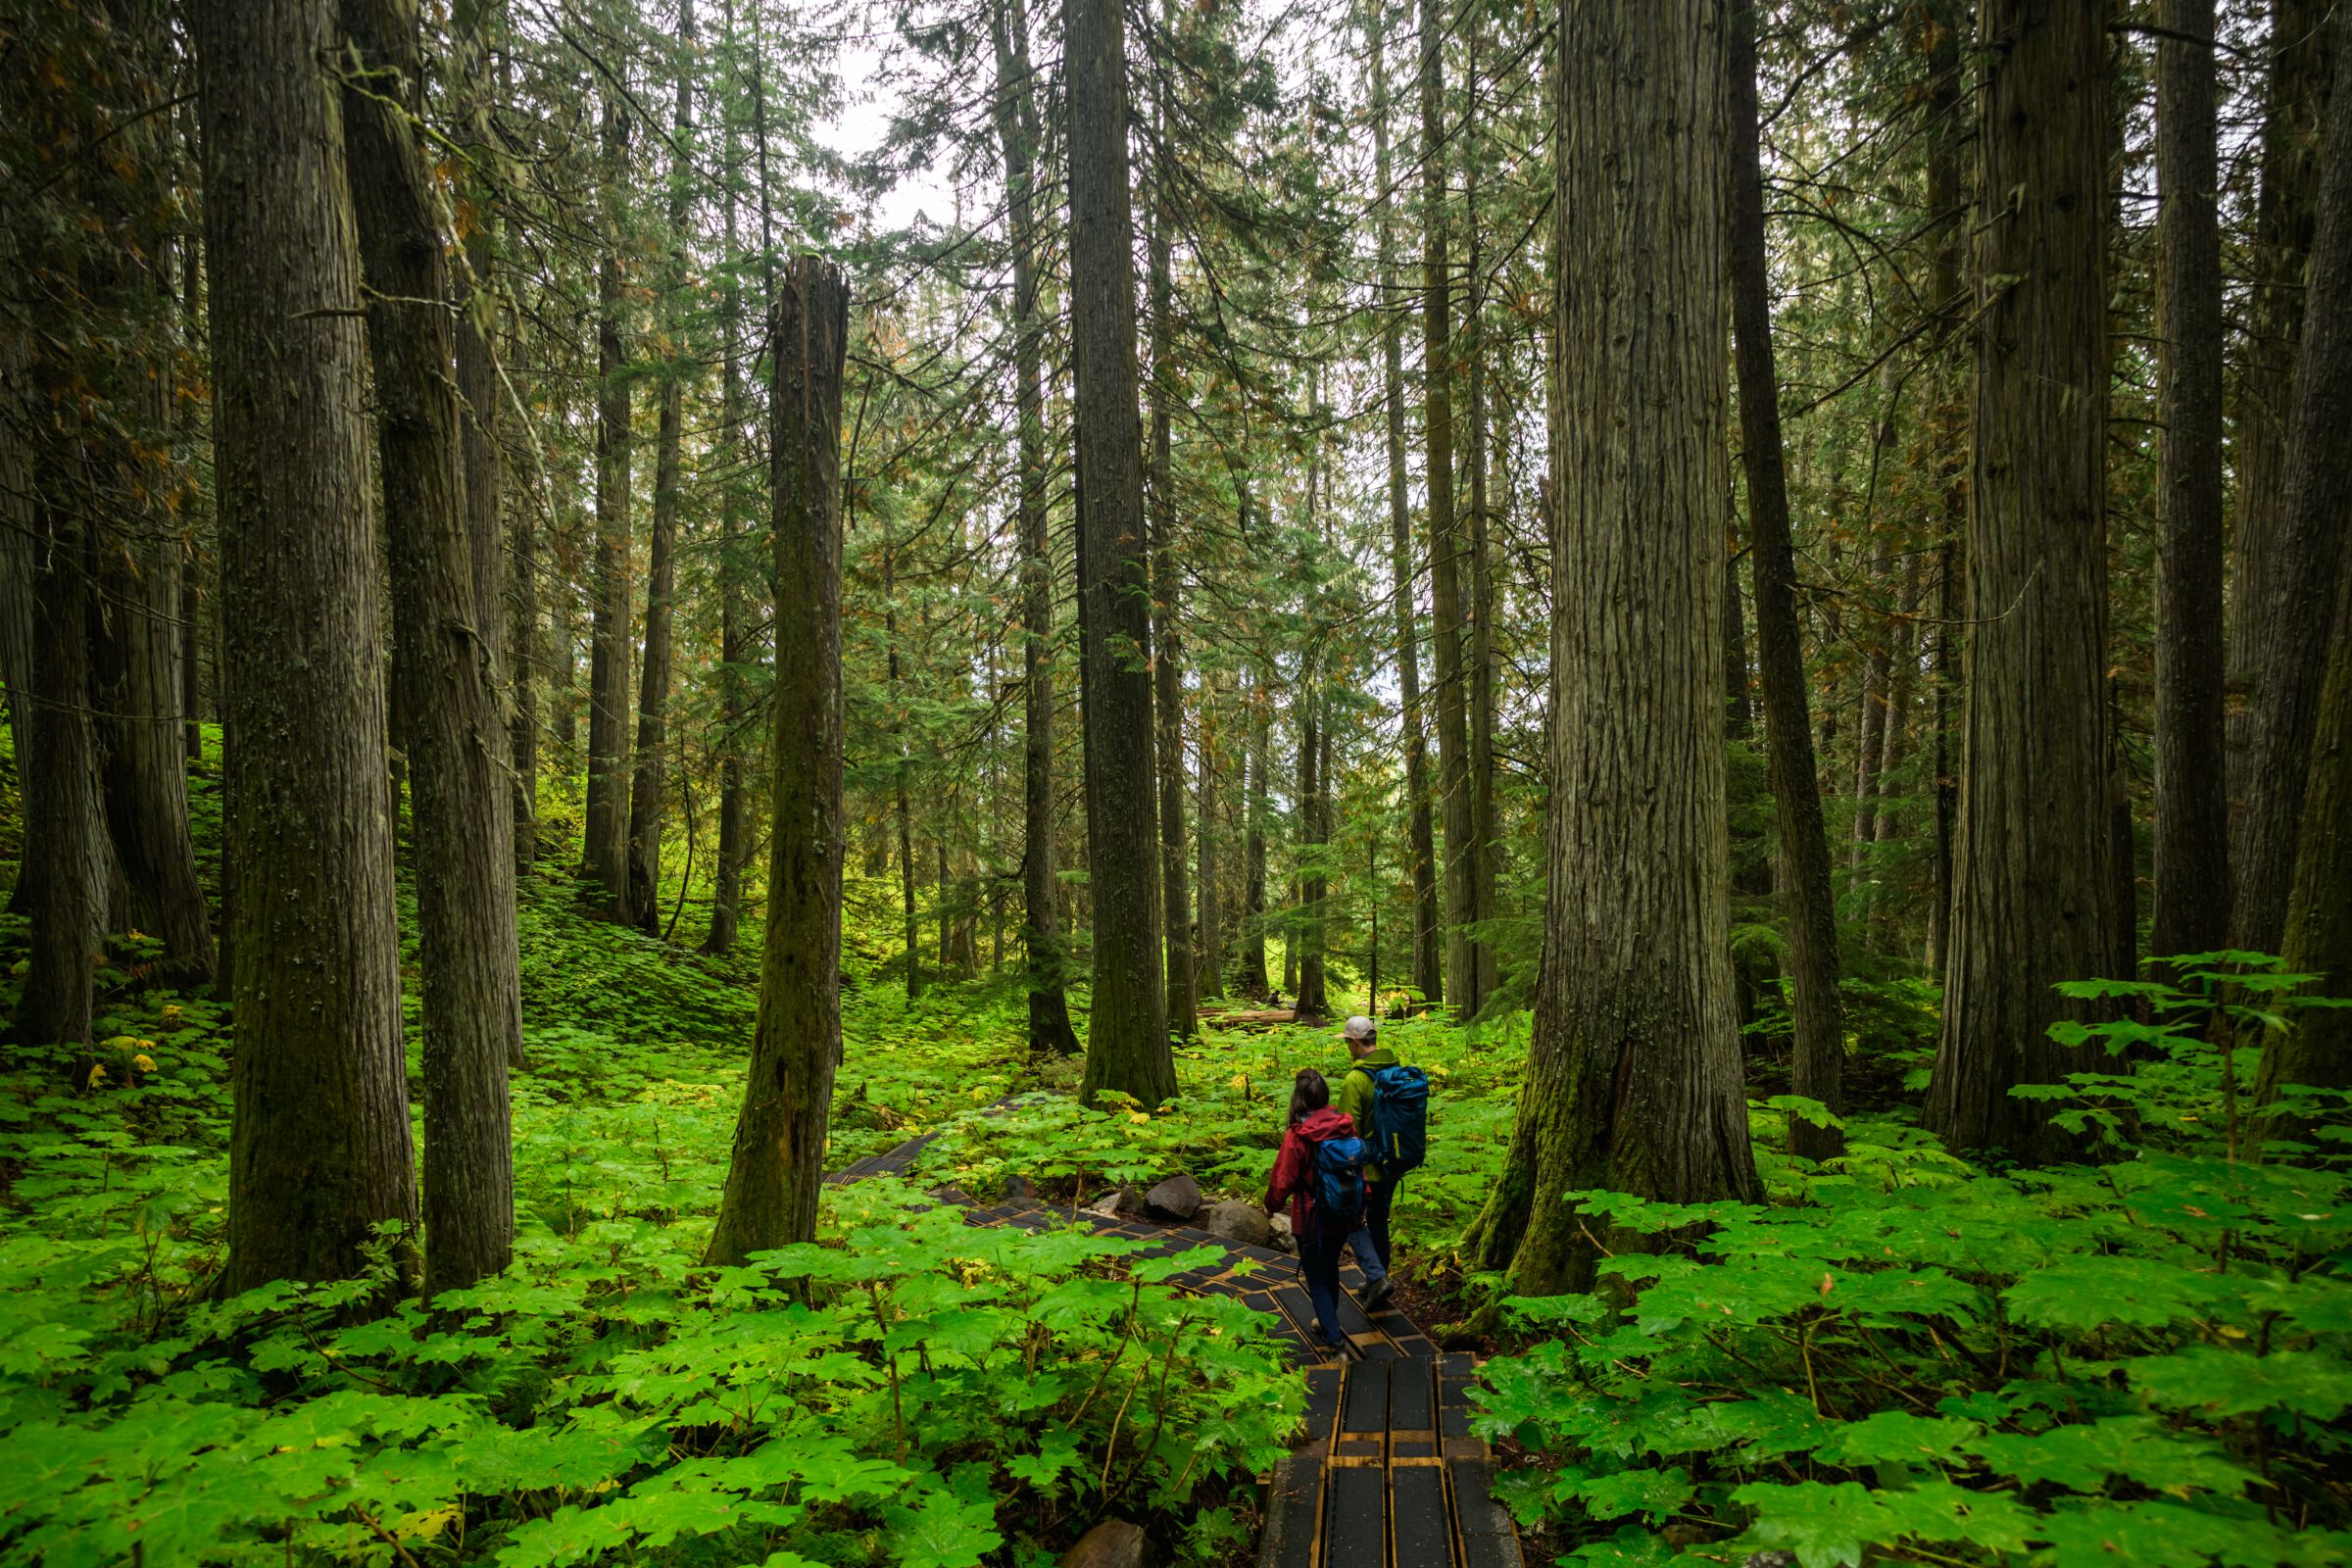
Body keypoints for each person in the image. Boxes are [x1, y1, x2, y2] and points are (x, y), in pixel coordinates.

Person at [1262, 1068, 1373, 1352]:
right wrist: (1361, 1206)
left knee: (1317, 1278)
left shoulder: (1299, 1135)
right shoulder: (1344, 1126)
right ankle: (1328, 1321)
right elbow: (1357, 1170)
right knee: (1330, 1268)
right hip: (1344, 1213)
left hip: (1311, 1218)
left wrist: (1270, 1206)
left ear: (1298, 1100)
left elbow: (1282, 1179)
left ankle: (1335, 1341)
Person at [1336, 1014, 1425, 1309]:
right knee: (1378, 1223)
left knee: (1355, 1222)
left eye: (1347, 1042)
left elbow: (1348, 1130)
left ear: (1354, 1042)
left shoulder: (1356, 1079)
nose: (1347, 1047)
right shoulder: (1395, 1070)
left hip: (1367, 1167)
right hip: (1394, 1162)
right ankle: (1378, 1277)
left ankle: (1377, 1280)